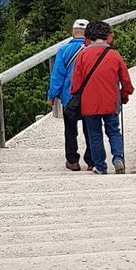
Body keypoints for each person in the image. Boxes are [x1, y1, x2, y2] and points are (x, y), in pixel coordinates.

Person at [69, 20, 134, 174]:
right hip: (110, 101)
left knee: (95, 135)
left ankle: (100, 166)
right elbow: (126, 82)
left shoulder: (83, 55)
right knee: (114, 131)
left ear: (88, 37)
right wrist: (124, 96)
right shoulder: (114, 55)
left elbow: (76, 85)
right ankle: (118, 158)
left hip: (89, 103)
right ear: (108, 37)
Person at [46, 18, 91, 171]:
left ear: (73, 33)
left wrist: (51, 96)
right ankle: (92, 160)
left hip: (69, 97)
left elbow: (57, 76)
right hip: (89, 96)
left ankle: (72, 160)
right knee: (90, 128)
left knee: (70, 130)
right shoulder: (92, 50)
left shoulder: (64, 51)